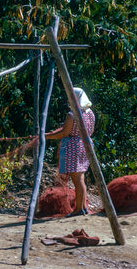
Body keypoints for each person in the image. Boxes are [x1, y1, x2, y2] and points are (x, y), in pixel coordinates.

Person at [45, 87, 95, 217]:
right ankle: (83, 207)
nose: (68, 99)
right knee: (80, 178)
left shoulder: (72, 114)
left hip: (74, 147)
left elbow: (64, 132)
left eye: (70, 96)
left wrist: (47, 136)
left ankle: (79, 209)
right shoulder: (89, 113)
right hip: (86, 146)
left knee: (77, 179)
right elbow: (91, 131)